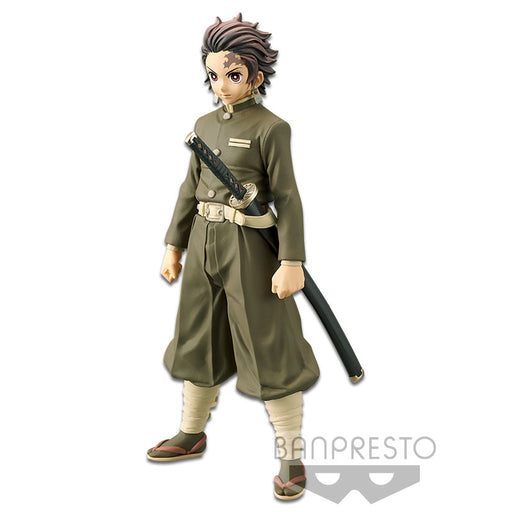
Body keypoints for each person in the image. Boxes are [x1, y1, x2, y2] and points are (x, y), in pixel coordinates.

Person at [146, 14, 319, 500]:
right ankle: (191, 431)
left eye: (234, 74)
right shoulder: (203, 126)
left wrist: (291, 260)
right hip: (205, 241)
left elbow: (288, 197)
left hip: (250, 248)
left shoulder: (271, 128)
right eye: (214, 74)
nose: (222, 84)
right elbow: (189, 188)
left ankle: (291, 454)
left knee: (269, 344)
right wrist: (175, 244)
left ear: (255, 76)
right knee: (197, 336)